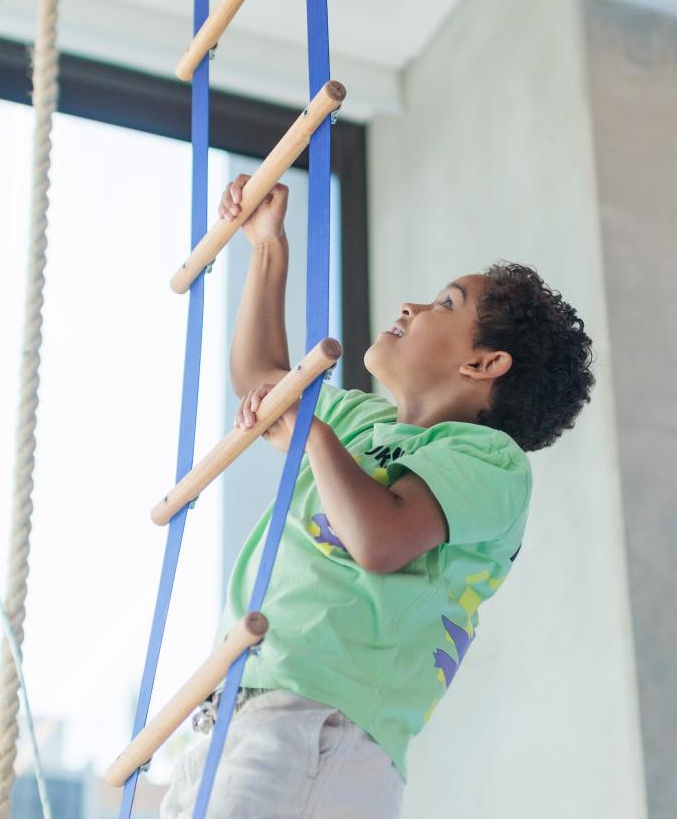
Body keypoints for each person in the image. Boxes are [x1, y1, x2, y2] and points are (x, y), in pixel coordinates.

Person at [158, 175, 596, 818]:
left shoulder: (489, 459)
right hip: (239, 712)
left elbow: (380, 539)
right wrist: (268, 247)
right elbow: (261, 382)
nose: (414, 308)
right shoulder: (363, 424)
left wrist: (312, 434)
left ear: (484, 364)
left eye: (447, 304)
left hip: (315, 728)